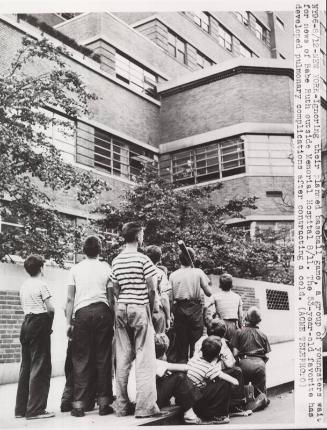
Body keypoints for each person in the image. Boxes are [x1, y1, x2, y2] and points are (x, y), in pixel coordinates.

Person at [109, 222, 160, 418]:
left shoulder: (116, 261)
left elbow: (115, 288)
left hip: (121, 308)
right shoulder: (144, 260)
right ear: (138, 237)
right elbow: (152, 289)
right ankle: (144, 407)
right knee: (144, 358)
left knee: (122, 357)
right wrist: (151, 307)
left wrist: (123, 300)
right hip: (140, 308)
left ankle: (121, 406)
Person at [65, 235, 115, 417]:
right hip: (103, 312)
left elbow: (70, 298)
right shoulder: (106, 268)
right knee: (103, 357)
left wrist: (68, 322)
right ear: (100, 250)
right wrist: (113, 318)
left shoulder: (75, 269)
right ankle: (103, 404)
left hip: (82, 313)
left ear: (83, 250)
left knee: (81, 358)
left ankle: (78, 405)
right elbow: (111, 298)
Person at [15, 255, 55, 420]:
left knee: (26, 366)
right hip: (39, 322)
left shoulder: (24, 285)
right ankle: (36, 409)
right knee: (40, 366)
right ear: (41, 268)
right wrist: (48, 327)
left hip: (26, 323)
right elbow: (51, 309)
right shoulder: (41, 284)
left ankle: (21, 409)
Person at [169, 247, 212, 363]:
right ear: (192, 258)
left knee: (181, 345)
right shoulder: (198, 272)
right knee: (196, 344)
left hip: (178, 309)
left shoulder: (173, 275)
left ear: (179, 260)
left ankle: (181, 373)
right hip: (195, 310)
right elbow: (209, 292)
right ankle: (194, 372)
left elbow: (170, 298)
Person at [186, 336, 239, 424]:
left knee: (213, 381)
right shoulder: (209, 368)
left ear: (202, 350)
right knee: (224, 383)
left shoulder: (193, 359)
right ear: (217, 354)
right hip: (198, 403)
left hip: (190, 398)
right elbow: (235, 382)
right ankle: (219, 415)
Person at [231, 306, 271, 396]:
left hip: (244, 364)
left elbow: (235, 353)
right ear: (259, 321)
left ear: (246, 318)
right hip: (260, 365)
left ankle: (244, 402)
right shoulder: (263, 335)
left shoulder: (238, 332)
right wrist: (260, 363)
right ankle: (260, 402)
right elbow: (267, 356)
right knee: (260, 394)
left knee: (242, 390)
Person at [146, 245, 171, 333]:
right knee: (158, 342)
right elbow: (164, 297)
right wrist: (168, 317)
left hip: (142, 311)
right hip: (156, 311)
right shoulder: (160, 273)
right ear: (159, 259)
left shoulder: (140, 270)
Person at [211, 274, 243, 341]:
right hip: (233, 325)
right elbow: (240, 316)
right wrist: (241, 327)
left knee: (219, 346)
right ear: (231, 284)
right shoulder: (237, 297)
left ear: (220, 284)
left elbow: (210, 311)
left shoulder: (215, 296)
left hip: (220, 326)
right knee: (233, 347)